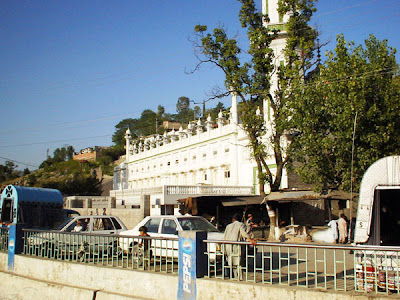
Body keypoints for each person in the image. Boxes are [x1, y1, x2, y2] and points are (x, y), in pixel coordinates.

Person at [223, 214, 256, 280]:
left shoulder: (228, 226)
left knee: (231, 263)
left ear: (233, 220)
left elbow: (224, 237)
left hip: (228, 246)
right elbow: (244, 233)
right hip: (236, 247)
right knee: (238, 263)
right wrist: (250, 240)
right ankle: (240, 278)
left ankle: (235, 277)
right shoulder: (241, 225)